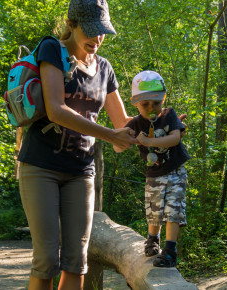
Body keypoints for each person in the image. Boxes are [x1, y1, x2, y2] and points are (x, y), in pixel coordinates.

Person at [16, 0, 136, 289]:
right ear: (71, 25)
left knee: (77, 262)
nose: (98, 38)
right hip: (40, 166)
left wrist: (158, 119)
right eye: (92, 31)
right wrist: (109, 135)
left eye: (103, 31)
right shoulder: (52, 51)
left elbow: (122, 123)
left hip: (81, 171)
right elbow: (56, 109)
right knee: (46, 262)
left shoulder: (105, 68)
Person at [122, 70, 190, 268]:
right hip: (153, 174)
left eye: (156, 103)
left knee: (173, 210)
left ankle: (170, 250)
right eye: (145, 104)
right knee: (154, 209)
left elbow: (175, 138)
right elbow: (121, 140)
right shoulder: (136, 123)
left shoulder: (169, 115)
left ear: (164, 99)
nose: (152, 108)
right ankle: (153, 240)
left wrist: (150, 140)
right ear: (135, 102)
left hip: (175, 171)